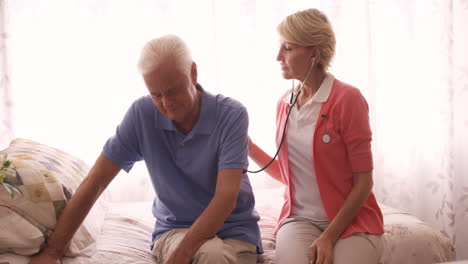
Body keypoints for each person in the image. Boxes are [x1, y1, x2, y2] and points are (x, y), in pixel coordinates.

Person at [29, 34, 262, 264]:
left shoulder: (231, 114)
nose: (166, 103)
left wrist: (180, 257)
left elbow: (226, 197)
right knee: (212, 255)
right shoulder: (141, 115)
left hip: (235, 231)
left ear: (192, 72)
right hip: (177, 229)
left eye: (173, 91)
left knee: (214, 255)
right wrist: (53, 251)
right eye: (156, 94)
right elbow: (96, 181)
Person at [248, 8, 384, 264]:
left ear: (314, 52)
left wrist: (329, 237)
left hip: (352, 220)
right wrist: (249, 147)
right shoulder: (284, 105)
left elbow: (364, 182)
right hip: (299, 219)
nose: (279, 56)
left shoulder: (348, 99)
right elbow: (290, 175)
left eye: (288, 48)